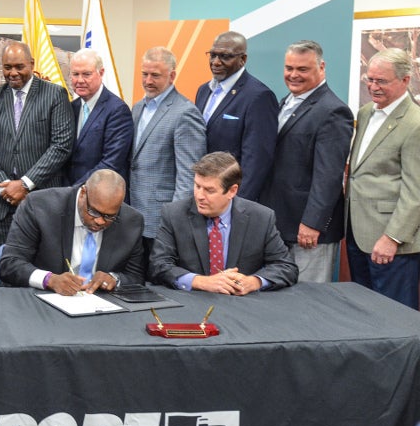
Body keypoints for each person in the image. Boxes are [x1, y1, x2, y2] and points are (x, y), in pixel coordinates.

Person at [0, 40, 74, 268]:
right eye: (7, 67)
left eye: (19, 66)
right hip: (0, 205)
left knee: (42, 273)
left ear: (32, 63)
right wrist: (5, 187)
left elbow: (61, 146)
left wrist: (25, 184)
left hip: (41, 202)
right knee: (3, 270)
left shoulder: (55, 95)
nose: (13, 73)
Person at [260, 40, 353, 282]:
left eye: (302, 69)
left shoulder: (333, 111)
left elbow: (329, 176)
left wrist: (313, 223)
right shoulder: (285, 102)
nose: (293, 75)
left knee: (310, 298)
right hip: (280, 225)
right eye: (289, 68)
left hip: (308, 232)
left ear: (321, 68)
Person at [150, 152, 298, 294]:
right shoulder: (174, 214)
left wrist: (254, 282)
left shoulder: (261, 218)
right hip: (193, 302)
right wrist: (201, 282)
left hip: (241, 304)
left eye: (209, 190)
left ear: (232, 191)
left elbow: (286, 266)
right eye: (197, 186)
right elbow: (158, 265)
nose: (199, 196)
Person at [346, 48, 420, 309]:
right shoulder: (366, 112)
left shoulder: (415, 123)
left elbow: (415, 192)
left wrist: (392, 238)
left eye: (381, 81)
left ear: (405, 80)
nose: (373, 87)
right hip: (357, 234)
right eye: (370, 79)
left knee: (394, 315)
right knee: (364, 312)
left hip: (391, 243)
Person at [0, 169, 145, 295]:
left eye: (110, 216)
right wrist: (50, 280)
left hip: (101, 306)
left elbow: (136, 277)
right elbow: (10, 264)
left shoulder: (131, 222)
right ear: (83, 193)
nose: (100, 221)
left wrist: (114, 279)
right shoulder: (39, 206)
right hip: (44, 300)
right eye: (94, 212)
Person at [130, 47, 206, 257]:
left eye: (155, 75)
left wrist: (175, 221)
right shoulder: (137, 108)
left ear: (172, 76)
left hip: (161, 220)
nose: (148, 81)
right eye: (144, 74)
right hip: (134, 216)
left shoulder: (185, 113)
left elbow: (188, 174)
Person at [195, 31, 278, 201]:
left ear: (243, 59)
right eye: (213, 55)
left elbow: (257, 160)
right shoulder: (203, 90)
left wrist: (238, 204)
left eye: (225, 56)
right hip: (204, 194)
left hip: (231, 196)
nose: (216, 62)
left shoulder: (258, 96)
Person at [66, 48, 133, 185]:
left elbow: (111, 162)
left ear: (101, 73)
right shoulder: (71, 107)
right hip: (69, 191)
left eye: (86, 74)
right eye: (75, 74)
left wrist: (76, 189)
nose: (80, 80)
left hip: (100, 191)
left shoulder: (117, 110)